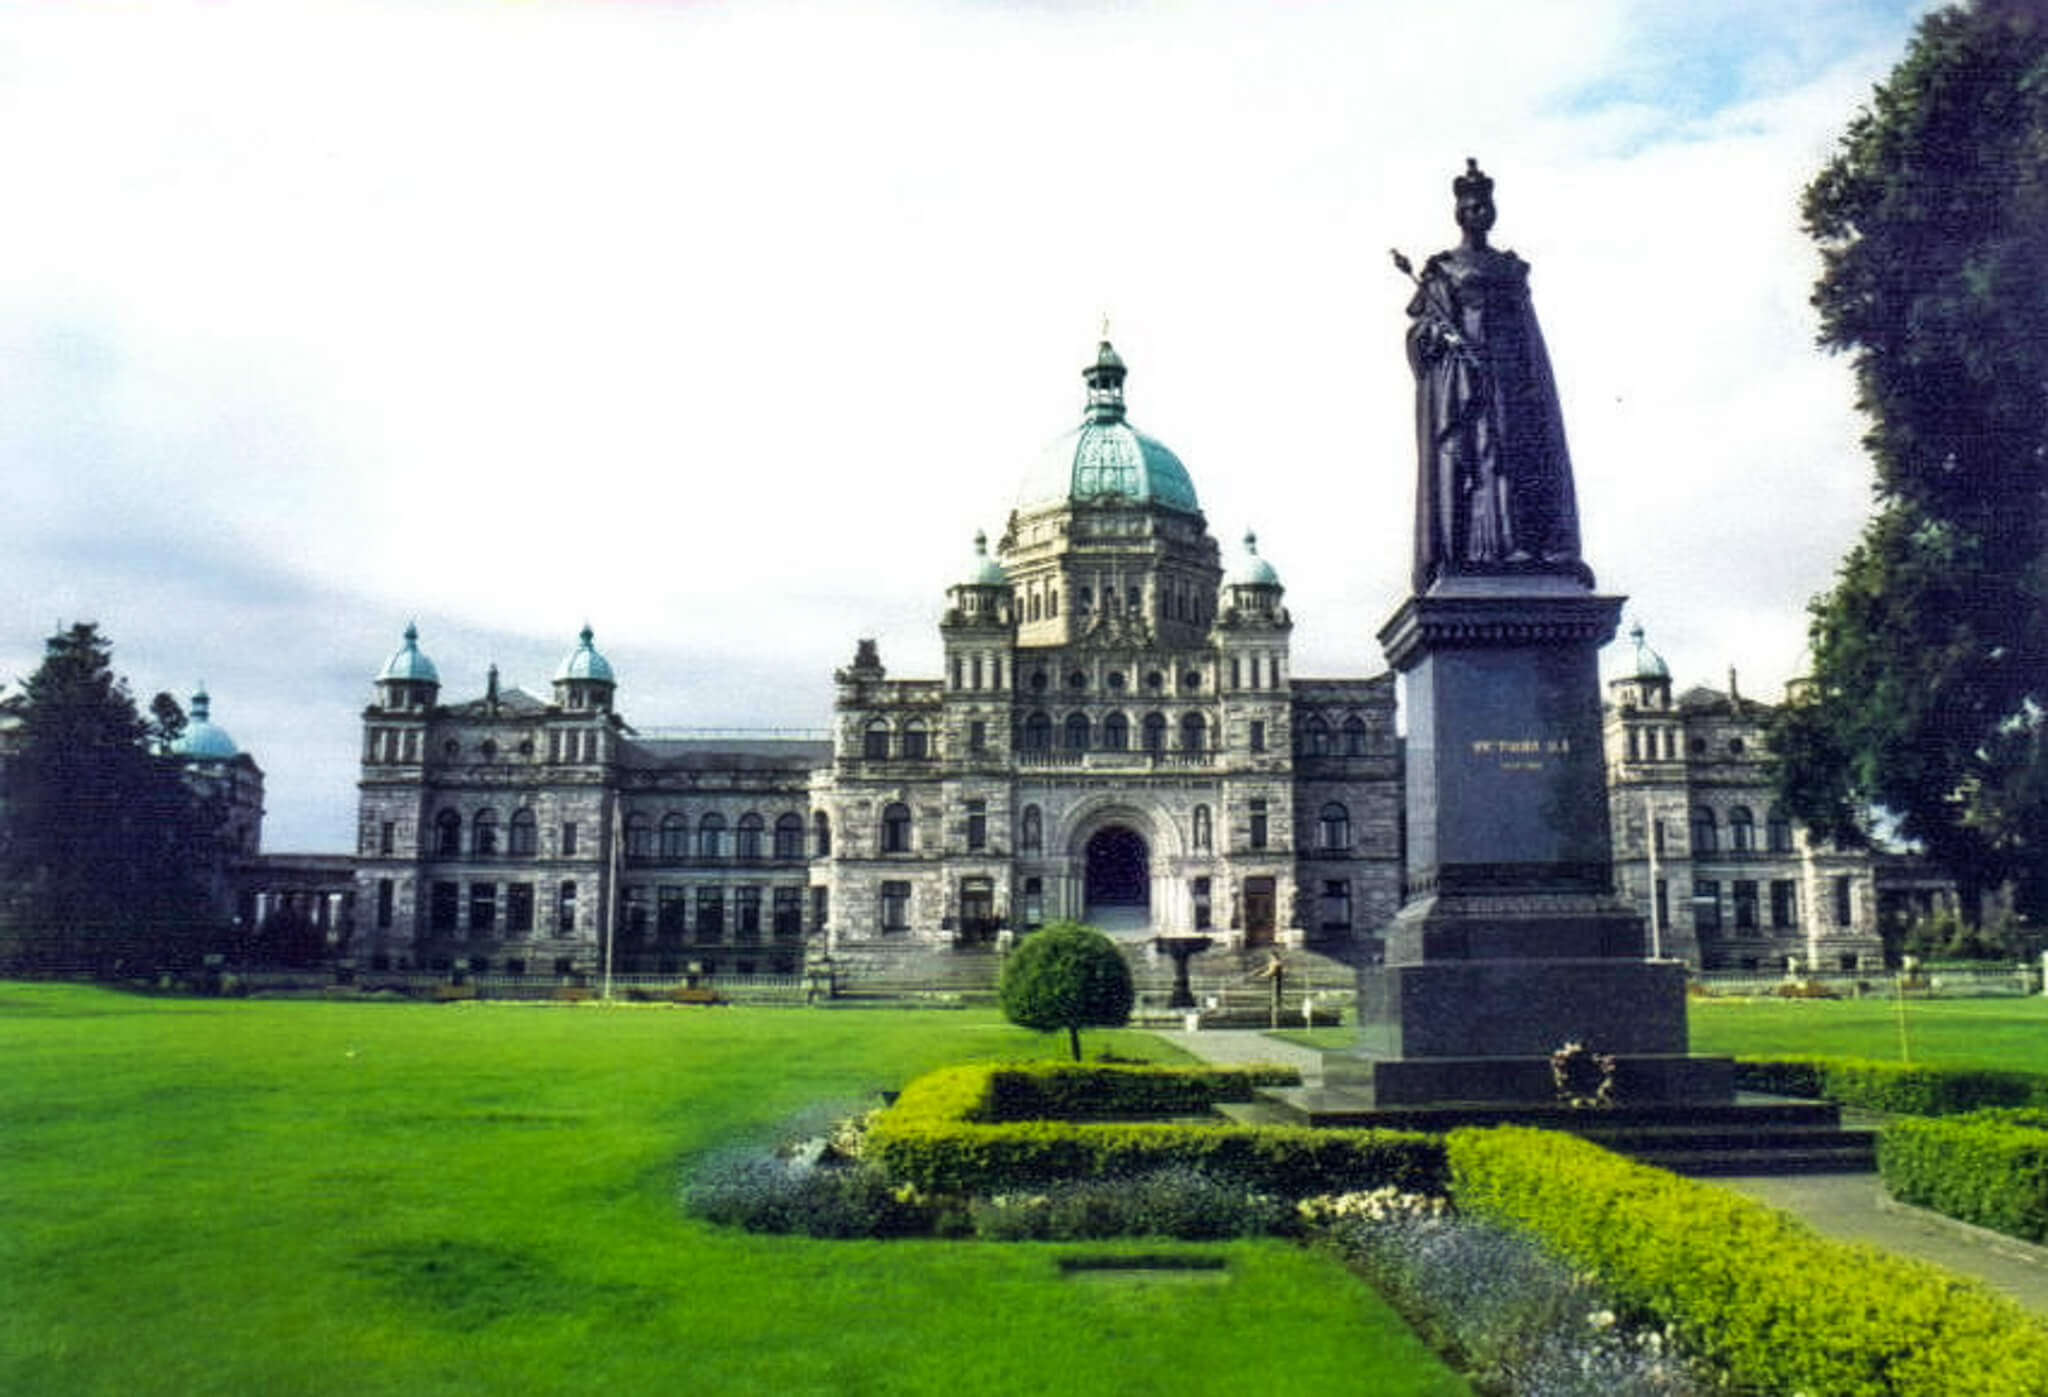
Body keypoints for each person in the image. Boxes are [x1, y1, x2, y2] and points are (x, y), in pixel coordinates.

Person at [1405, 159, 1585, 593]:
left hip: (1511, 379)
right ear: (1459, 212)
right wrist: (1438, 336)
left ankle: (1523, 545)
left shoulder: (1511, 268)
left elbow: (1527, 335)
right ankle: (1474, 550)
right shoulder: (1443, 269)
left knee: (1517, 456)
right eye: (1470, 206)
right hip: (1464, 384)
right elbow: (1421, 332)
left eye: (1484, 205)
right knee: (1479, 455)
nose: (1478, 213)